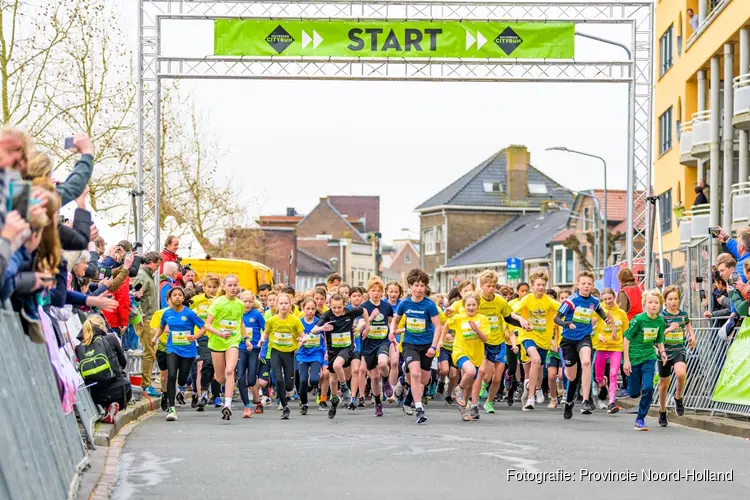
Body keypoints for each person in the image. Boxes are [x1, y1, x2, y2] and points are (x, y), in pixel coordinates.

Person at [555, 270, 613, 419]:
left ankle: (586, 400)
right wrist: (567, 324)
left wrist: (605, 319)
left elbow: (599, 310)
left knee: (586, 362)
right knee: (571, 376)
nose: (586, 286)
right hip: (568, 340)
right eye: (583, 284)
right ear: (578, 284)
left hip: (584, 338)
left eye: (589, 284)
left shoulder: (594, 300)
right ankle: (569, 402)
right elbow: (557, 318)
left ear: (593, 285)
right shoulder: (571, 301)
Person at [153, 287, 213, 422]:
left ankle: (181, 384)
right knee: (171, 375)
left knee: (182, 379)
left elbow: (204, 326)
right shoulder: (167, 314)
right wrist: (155, 337)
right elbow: (161, 327)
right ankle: (172, 408)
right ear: (170, 298)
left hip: (188, 350)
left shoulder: (190, 313)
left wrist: (196, 336)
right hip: (172, 347)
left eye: (180, 295)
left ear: (184, 298)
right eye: (174, 295)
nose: (178, 297)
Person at [390, 268, 441, 424]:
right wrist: (392, 331)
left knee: (424, 380)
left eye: (422, 285)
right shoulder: (405, 303)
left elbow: (438, 327)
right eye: (416, 285)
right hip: (410, 344)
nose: (419, 288)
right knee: (416, 374)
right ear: (410, 286)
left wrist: (433, 347)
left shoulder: (429, 305)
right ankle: (419, 408)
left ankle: (405, 370)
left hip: (426, 345)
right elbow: (396, 320)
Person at [312, 292, 370, 419]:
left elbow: (364, 310)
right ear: (330, 306)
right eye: (334, 308)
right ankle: (334, 401)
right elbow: (313, 330)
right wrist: (323, 328)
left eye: (339, 307)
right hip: (333, 350)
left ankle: (344, 388)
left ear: (344, 305)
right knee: (333, 379)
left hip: (347, 347)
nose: (337, 310)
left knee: (337, 365)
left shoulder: (350, 312)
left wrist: (368, 326)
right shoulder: (327, 315)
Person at [513, 271, 559, 411]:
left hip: (544, 340)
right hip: (528, 336)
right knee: (536, 360)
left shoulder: (548, 301)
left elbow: (565, 308)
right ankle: (531, 397)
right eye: (538, 285)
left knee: (539, 367)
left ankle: (530, 386)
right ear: (532, 285)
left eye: (543, 285)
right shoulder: (527, 299)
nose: (541, 287)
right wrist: (521, 319)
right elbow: (511, 312)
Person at [624, 290, 668, 431]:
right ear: (645, 304)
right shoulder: (638, 319)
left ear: (660, 304)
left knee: (648, 387)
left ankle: (640, 418)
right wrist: (626, 360)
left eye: (656, 302)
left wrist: (662, 351)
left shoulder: (660, 321)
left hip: (649, 356)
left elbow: (659, 338)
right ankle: (633, 389)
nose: (653, 305)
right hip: (634, 358)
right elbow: (627, 338)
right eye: (650, 302)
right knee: (634, 393)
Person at [75, 315, 131, 424]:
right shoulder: (111, 338)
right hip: (119, 390)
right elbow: (123, 363)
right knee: (124, 381)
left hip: (96, 396)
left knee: (98, 386)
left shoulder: (79, 347)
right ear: (101, 326)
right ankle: (112, 407)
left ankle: (106, 409)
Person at [205, 274, 246, 420]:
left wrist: (246, 338)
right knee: (220, 376)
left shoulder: (240, 304)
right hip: (217, 341)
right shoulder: (217, 303)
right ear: (224, 287)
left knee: (230, 371)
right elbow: (207, 325)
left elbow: (240, 322)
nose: (233, 288)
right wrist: (220, 333)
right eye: (230, 285)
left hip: (233, 341)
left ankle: (227, 405)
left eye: (235, 285)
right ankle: (212, 387)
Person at [443, 292, 490, 421]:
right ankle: (458, 389)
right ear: (464, 306)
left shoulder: (483, 319)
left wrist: (477, 330)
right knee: (470, 371)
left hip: (476, 355)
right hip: (460, 351)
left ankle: (464, 409)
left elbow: (485, 339)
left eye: (473, 305)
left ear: (478, 305)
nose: (471, 307)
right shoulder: (459, 317)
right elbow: (445, 324)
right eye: (468, 305)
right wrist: (441, 340)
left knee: (470, 383)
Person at [260, 293, 305, 420]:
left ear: (290, 305)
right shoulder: (272, 320)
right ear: (277, 306)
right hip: (275, 351)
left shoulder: (295, 320)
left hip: (289, 353)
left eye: (286, 303)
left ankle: (289, 390)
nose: (284, 305)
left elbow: (303, 335)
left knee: (289, 385)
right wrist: (262, 340)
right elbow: (266, 333)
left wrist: (303, 340)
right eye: (281, 303)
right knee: (278, 379)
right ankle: (285, 406)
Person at [658, 286, 696, 427]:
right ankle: (662, 411)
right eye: (670, 299)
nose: (674, 302)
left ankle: (678, 397)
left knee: (681, 374)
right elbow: (658, 336)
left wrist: (692, 336)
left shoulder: (683, 314)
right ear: (665, 301)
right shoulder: (661, 317)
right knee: (663, 385)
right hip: (664, 353)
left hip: (679, 349)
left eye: (676, 299)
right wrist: (669, 329)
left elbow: (688, 325)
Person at [360, 276, 395, 417]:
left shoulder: (386, 307)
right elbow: (360, 327)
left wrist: (392, 333)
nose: (375, 293)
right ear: (368, 292)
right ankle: (378, 402)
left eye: (378, 291)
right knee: (374, 377)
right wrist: (371, 318)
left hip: (382, 341)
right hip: (368, 343)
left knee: (383, 363)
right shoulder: (364, 307)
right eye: (373, 290)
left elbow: (391, 322)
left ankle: (386, 380)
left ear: (382, 293)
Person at [593, 288, 629, 413]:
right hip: (601, 348)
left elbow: (627, 334)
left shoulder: (621, 313)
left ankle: (611, 402)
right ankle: (603, 383)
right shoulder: (598, 310)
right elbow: (589, 327)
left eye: (610, 298)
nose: (608, 301)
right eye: (605, 299)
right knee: (598, 378)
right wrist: (597, 335)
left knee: (613, 373)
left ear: (615, 297)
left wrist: (627, 352)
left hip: (616, 348)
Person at [190, 274, 222, 410]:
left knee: (218, 367)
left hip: (219, 335)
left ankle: (216, 394)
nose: (212, 290)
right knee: (207, 362)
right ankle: (203, 393)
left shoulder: (221, 300)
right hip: (202, 334)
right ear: (204, 287)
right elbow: (187, 313)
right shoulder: (196, 300)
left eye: (214, 287)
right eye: (209, 287)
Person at [133, 251, 161, 397]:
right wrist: (140, 316)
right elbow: (135, 294)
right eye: (157, 264)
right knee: (149, 352)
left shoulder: (146, 276)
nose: (157, 268)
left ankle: (147, 383)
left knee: (151, 351)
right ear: (152, 262)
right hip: (146, 320)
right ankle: (146, 385)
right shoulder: (143, 276)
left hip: (150, 319)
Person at [238, 290, 266, 418]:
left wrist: (262, 346)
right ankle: (247, 406)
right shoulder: (237, 314)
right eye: (245, 301)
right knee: (240, 378)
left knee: (251, 379)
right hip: (240, 348)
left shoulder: (257, 315)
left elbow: (266, 330)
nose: (247, 304)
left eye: (250, 301)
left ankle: (258, 402)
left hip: (254, 349)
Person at [296, 298, 325, 415]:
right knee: (302, 380)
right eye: (307, 309)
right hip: (302, 355)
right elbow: (295, 338)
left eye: (313, 309)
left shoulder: (319, 322)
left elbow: (325, 337)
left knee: (314, 379)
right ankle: (304, 404)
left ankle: (311, 385)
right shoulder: (299, 322)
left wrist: (326, 352)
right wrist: (299, 340)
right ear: (303, 309)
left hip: (316, 354)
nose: (310, 311)